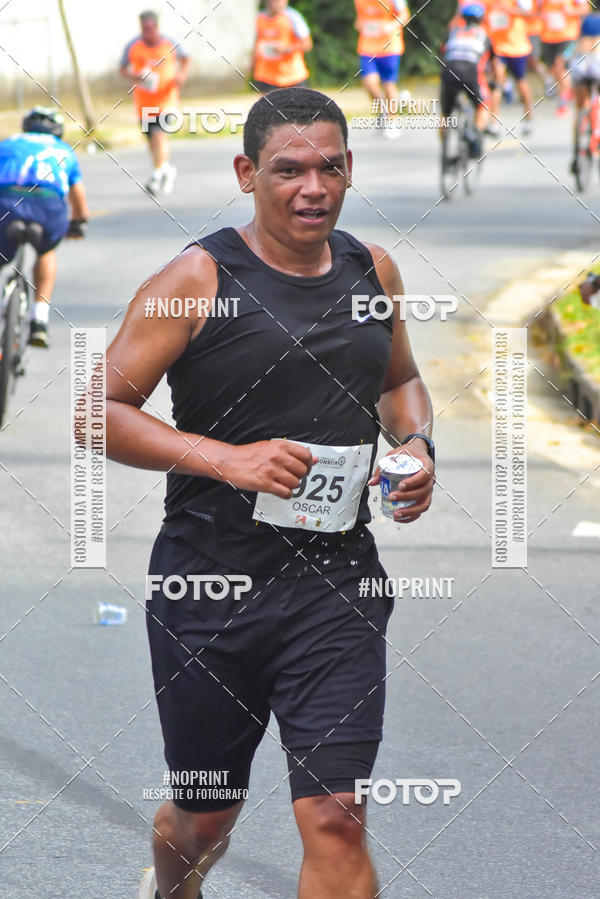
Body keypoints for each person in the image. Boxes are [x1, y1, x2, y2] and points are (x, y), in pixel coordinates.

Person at [100, 86, 435, 899]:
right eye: (288, 170)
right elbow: (98, 412)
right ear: (249, 173)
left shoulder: (370, 268)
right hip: (208, 583)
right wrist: (228, 459)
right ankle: (174, 884)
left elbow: (403, 383)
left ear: (350, 168)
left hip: (337, 586)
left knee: (333, 815)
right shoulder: (195, 278)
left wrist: (417, 446)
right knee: (206, 813)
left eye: (328, 167)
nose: (311, 187)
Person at [0, 106, 89, 347]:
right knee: (46, 251)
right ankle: (39, 319)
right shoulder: (64, 151)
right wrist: (78, 224)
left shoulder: (7, 144)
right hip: (47, 207)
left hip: (5, 202)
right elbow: (78, 199)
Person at [120, 10, 190, 195]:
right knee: (152, 142)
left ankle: (157, 175)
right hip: (144, 104)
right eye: (144, 28)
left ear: (156, 27)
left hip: (166, 101)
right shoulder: (133, 46)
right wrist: (134, 76)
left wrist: (181, 74)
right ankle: (166, 170)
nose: (147, 32)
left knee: (160, 136)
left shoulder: (170, 44)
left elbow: (186, 58)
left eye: (150, 28)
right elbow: (122, 69)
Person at [441, 3, 492, 157]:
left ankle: (444, 149)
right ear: (482, 19)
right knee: (484, 106)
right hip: (470, 72)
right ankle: (473, 133)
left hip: (449, 70)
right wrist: (495, 82)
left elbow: (443, 51)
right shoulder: (483, 35)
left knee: (445, 114)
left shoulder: (453, 32)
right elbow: (491, 64)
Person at [354, 0, 411, 137]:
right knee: (369, 83)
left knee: (388, 85)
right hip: (367, 48)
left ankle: (392, 121)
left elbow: (405, 16)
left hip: (390, 47)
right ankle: (386, 109)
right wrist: (361, 25)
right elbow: (359, 20)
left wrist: (391, 26)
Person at [486, 0, 535, 135]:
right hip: (498, 48)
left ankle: (528, 118)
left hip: (517, 48)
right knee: (497, 83)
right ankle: (493, 123)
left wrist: (509, 10)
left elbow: (530, 13)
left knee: (521, 82)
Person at [251, 0, 312, 94]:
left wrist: (286, 49)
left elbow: (307, 44)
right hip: (267, 77)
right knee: (267, 108)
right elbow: (257, 42)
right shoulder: (260, 18)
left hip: (293, 76)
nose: (273, 3)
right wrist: (253, 63)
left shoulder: (293, 17)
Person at [540, 0, 588, 115]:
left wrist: (571, 11)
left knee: (560, 65)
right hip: (548, 37)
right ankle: (568, 90)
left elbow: (585, 8)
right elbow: (535, 10)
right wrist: (542, 15)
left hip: (568, 36)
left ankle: (563, 103)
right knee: (553, 70)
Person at [568, 12, 600, 173]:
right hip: (597, 69)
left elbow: (567, 55)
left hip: (580, 69)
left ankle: (576, 155)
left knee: (581, 109)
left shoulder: (580, 41)